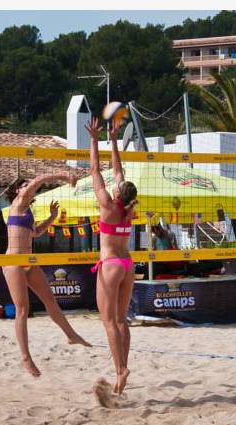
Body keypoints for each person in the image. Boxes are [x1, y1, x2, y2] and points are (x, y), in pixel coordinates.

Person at [3, 174, 90, 377]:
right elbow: (37, 181)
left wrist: (52, 217)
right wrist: (64, 176)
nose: (28, 187)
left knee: (50, 300)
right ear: (16, 191)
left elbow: (35, 232)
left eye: (27, 185)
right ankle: (26, 358)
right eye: (23, 185)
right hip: (13, 262)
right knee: (22, 309)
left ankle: (71, 335)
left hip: (29, 261)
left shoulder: (28, 210)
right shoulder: (18, 203)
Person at [86, 116, 138, 395]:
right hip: (127, 264)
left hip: (110, 264)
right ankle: (122, 371)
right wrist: (115, 141)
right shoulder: (128, 208)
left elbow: (95, 169)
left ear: (118, 190)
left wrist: (95, 140)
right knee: (121, 321)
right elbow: (117, 169)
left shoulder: (107, 203)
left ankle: (120, 369)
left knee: (108, 322)